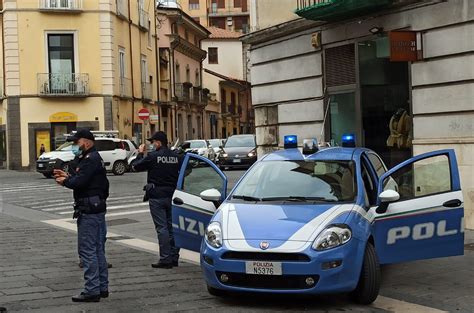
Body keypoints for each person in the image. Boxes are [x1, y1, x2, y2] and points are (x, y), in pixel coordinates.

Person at [53, 129, 110, 302]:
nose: (74, 146)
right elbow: (86, 179)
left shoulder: (90, 159)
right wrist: (69, 176)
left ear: (86, 142)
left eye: (76, 143)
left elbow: (80, 182)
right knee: (97, 249)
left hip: (89, 209)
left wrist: (66, 181)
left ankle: (92, 290)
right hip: (96, 207)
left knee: (87, 250)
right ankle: (102, 287)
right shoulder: (93, 158)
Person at [132, 131, 181, 269]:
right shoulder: (177, 157)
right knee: (172, 227)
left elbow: (135, 166)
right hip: (173, 195)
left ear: (158, 143)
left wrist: (140, 153)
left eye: (153, 142)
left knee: (162, 228)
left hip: (157, 196)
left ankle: (165, 259)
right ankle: (174, 257)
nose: (152, 145)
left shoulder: (153, 156)